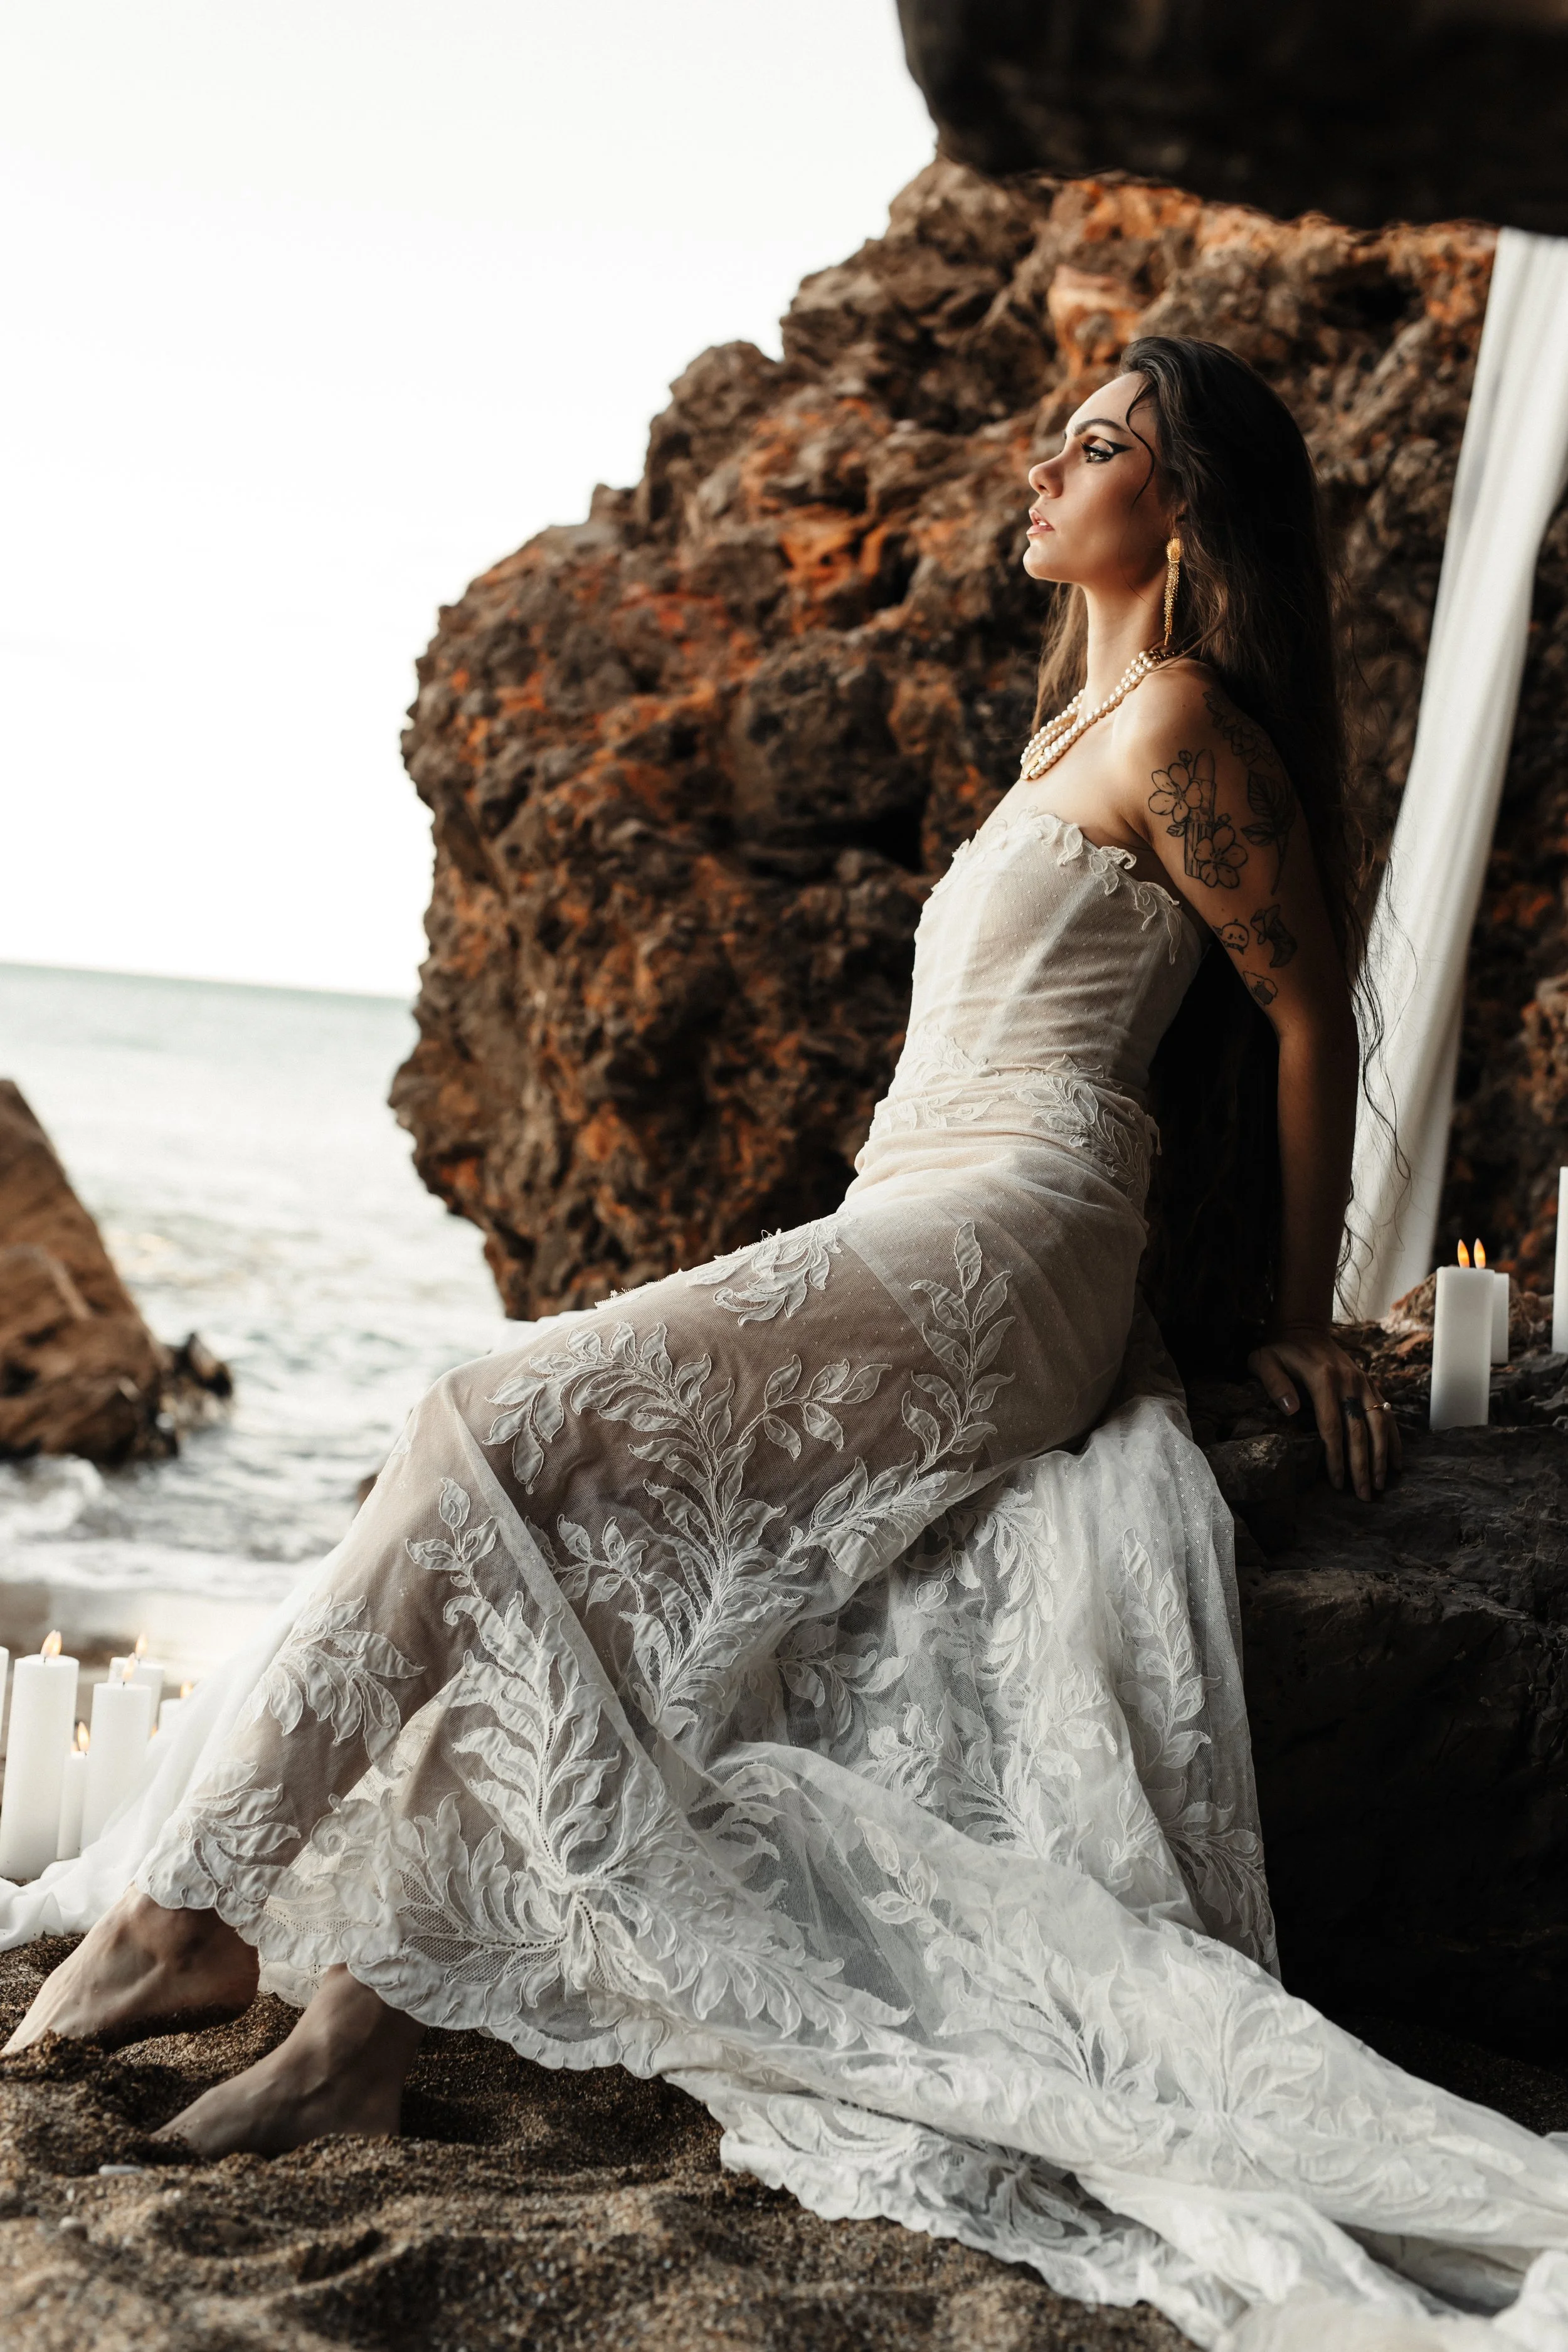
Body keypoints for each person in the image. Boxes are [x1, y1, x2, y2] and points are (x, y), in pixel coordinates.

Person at [5, 337, 1566, 2352]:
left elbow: (1298, 1008)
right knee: (583, 1557)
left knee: (482, 1414)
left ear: (1180, 509)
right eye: (1057, 438)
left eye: (1097, 446)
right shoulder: (1067, 727)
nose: (1046, 469)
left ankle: (185, 1911)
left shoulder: (1182, 717)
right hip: (912, 1204)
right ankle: (352, 2037)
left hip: (1020, 1227)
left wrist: (1288, 1317)